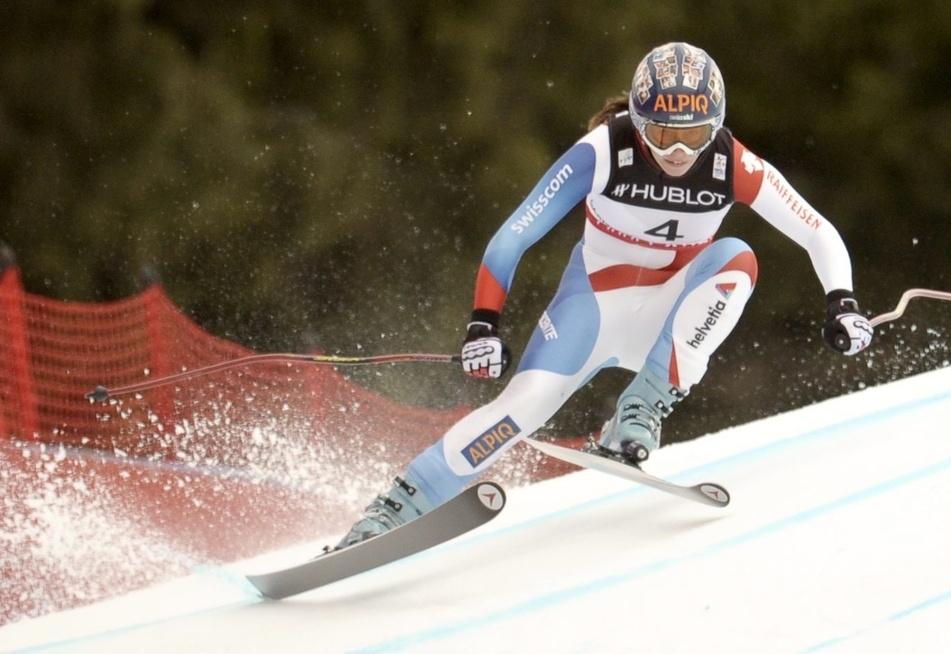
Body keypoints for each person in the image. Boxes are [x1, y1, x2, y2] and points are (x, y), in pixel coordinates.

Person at [335, 42, 873, 548]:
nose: (680, 151)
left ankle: (643, 405)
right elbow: (515, 234)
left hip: (671, 320)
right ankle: (393, 511)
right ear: (639, 125)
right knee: (519, 411)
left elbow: (816, 231)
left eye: (697, 134)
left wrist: (842, 302)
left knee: (737, 259)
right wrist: (484, 323)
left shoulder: (730, 162)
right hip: (592, 309)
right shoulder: (603, 150)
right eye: (663, 136)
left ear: (717, 125)